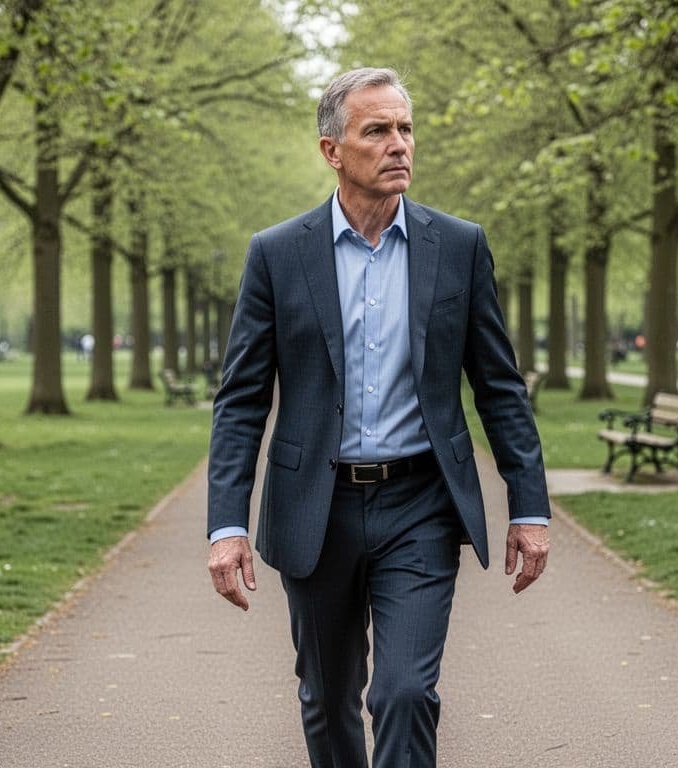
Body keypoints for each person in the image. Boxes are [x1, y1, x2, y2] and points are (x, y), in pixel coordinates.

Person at [206, 67, 550, 768]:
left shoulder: (459, 247)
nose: (399, 145)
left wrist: (530, 507)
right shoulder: (277, 254)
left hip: (420, 505)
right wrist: (227, 525)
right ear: (333, 150)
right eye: (378, 131)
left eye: (405, 128)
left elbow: (499, 387)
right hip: (315, 508)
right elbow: (241, 400)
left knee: (403, 693)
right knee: (327, 698)